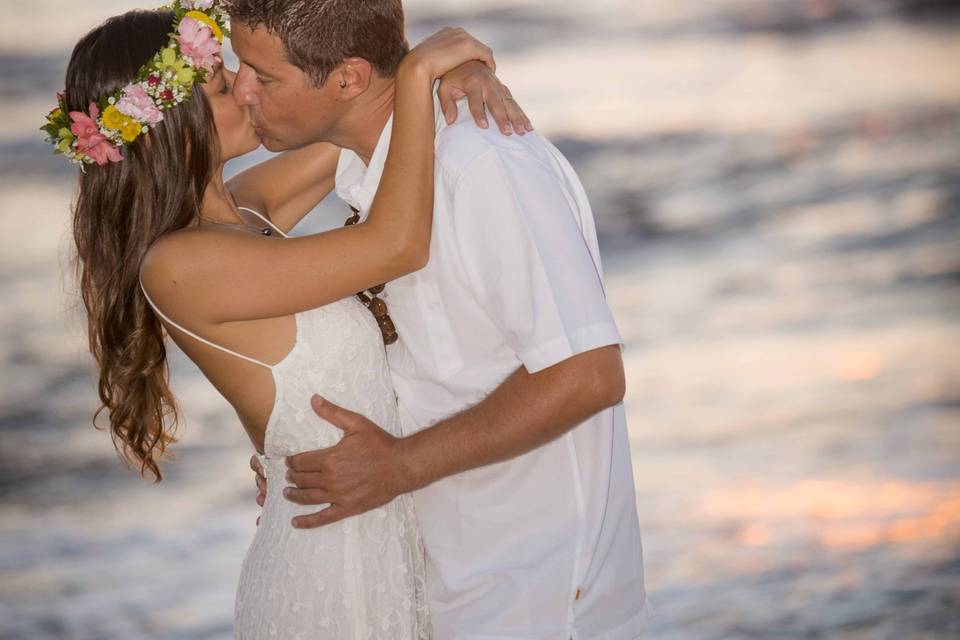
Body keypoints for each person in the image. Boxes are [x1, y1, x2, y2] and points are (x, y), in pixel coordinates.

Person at [50, 1, 529, 637]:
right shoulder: (180, 265)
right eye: (225, 86)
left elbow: (363, 122)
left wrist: (453, 73)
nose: (248, 92)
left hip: (368, 524)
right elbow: (396, 243)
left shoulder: (243, 214)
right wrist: (418, 75)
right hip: (326, 560)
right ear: (177, 127)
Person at [232, 0, 651, 638]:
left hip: (536, 590)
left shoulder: (482, 165)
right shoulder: (365, 165)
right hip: (448, 577)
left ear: (346, 79)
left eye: (262, 76)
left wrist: (399, 465)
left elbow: (589, 373)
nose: (242, 92)